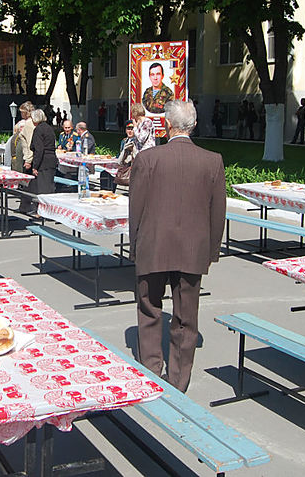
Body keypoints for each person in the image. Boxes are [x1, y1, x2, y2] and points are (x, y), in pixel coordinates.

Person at [129, 100, 225, 392]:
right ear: (193, 125)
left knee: (149, 309)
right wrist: (210, 252)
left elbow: (137, 208)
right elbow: (217, 211)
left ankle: (150, 369)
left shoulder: (147, 160)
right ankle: (179, 380)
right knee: (186, 316)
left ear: (166, 125)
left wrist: (135, 247)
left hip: (153, 245)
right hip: (192, 250)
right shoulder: (213, 161)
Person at [29, 109, 57, 197]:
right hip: (51, 161)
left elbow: (39, 149)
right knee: (49, 187)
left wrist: (35, 167)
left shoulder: (38, 130)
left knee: (43, 190)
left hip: (43, 163)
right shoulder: (49, 128)